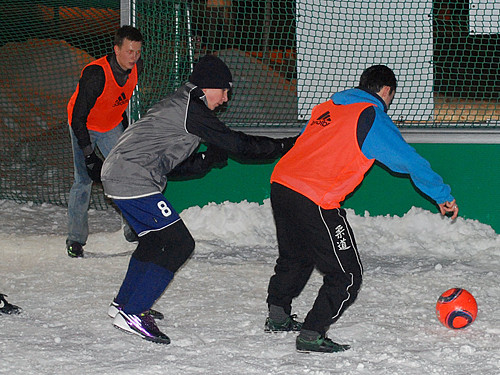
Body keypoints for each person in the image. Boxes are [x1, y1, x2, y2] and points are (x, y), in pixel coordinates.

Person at [101, 54, 298, 344]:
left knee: (155, 241)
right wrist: (287, 144)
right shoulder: (191, 109)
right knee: (180, 244)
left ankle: (124, 304)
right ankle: (133, 312)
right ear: (209, 86)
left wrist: (205, 160)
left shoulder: (183, 106)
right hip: (131, 177)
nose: (226, 98)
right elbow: (239, 144)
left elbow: (173, 165)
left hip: (124, 174)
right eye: (225, 90)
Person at [264, 65, 459, 353]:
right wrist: (441, 194)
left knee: (297, 255)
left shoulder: (326, 108)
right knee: (346, 275)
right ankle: (311, 333)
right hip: (315, 196)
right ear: (386, 91)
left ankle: (278, 315)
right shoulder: (370, 115)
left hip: (282, 183)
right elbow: (408, 160)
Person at [66, 25, 144, 258]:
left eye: (138, 52)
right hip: (84, 127)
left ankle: (133, 229)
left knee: (127, 175)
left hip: (110, 125)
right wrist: (89, 155)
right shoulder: (95, 74)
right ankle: (75, 240)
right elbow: (78, 118)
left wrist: (126, 134)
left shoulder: (135, 67)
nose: (134, 57)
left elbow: (119, 102)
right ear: (116, 50)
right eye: (129, 51)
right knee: (83, 182)